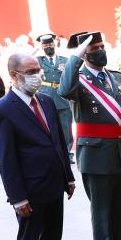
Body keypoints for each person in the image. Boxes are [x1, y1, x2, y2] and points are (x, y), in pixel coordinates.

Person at [0, 53, 79, 240]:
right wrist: (18, 198)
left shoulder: (46, 101)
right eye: (30, 71)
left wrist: (68, 175)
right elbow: (6, 159)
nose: (37, 75)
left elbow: (58, 142)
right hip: (29, 191)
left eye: (38, 69)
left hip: (54, 184)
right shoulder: (3, 110)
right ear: (14, 76)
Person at [59, 31, 121, 240]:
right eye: (93, 47)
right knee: (102, 212)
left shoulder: (116, 78)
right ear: (84, 53)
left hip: (119, 151)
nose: (100, 50)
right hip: (96, 155)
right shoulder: (78, 80)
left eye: (101, 45)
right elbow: (64, 89)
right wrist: (75, 56)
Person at [36, 33, 75, 162]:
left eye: (50, 44)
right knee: (49, 127)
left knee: (66, 128)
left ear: (55, 44)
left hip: (62, 97)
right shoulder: (38, 61)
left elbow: (71, 78)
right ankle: (55, 153)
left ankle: (67, 153)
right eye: (45, 45)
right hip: (45, 97)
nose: (48, 47)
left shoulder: (64, 60)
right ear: (42, 46)